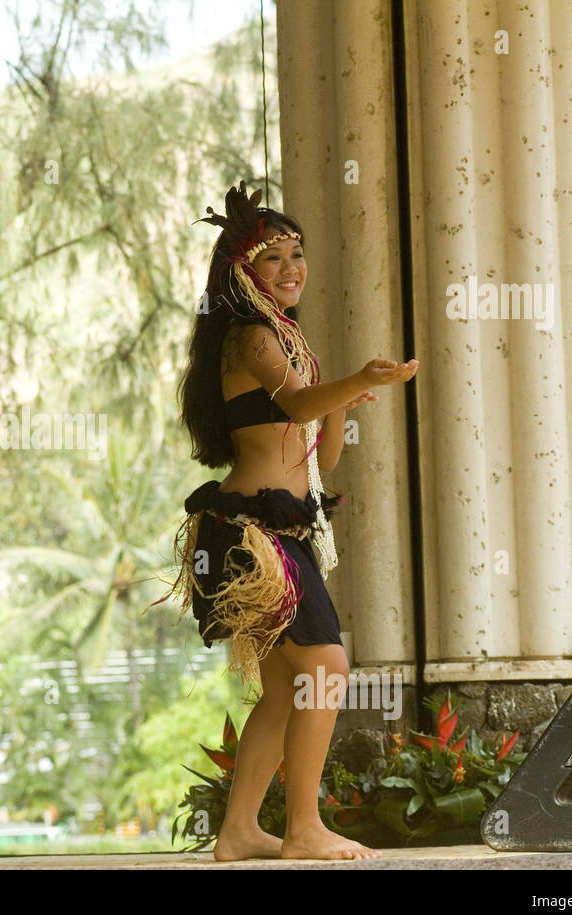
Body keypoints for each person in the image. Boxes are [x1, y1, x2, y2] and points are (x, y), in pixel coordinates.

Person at [164, 181, 417, 861]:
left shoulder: (289, 341)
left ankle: (241, 828)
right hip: (255, 535)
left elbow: (322, 450)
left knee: (283, 687)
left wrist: (344, 397)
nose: (291, 268)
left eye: (296, 254)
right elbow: (301, 405)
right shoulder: (251, 337)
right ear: (241, 272)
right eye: (273, 257)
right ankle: (303, 825)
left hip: (286, 527)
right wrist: (340, 385)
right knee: (326, 666)